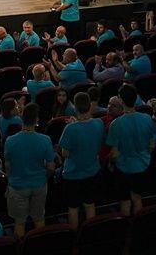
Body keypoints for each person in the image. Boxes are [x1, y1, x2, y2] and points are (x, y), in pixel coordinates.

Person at [4, 102, 55, 238]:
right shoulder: (45, 140)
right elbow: (51, 167)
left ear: (22, 118)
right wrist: (44, 177)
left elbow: (7, 166)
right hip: (39, 184)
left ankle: (21, 246)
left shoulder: (10, 141)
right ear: (36, 119)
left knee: (20, 222)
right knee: (39, 219)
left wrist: (11, 179)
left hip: (18, 186)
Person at [107, 84, 156, 215]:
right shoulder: (147, 118)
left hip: (123, 168)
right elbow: (152, 145)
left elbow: (114, 153)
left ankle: (126, 226)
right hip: (143, 165)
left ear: (121, 100)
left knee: (125, 202)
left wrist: (111, 164)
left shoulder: (116, 124)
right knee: (137, 198)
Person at [58, 92, 104, 228]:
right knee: (90, 205)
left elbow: (65, 153)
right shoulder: (99, 123)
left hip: (73, 175)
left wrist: (74, 125)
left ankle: (75, 235)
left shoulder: (70, 128)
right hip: (92, 171)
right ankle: (90, 232)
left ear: (75, 108)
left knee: (73, 208)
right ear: (89, 106)